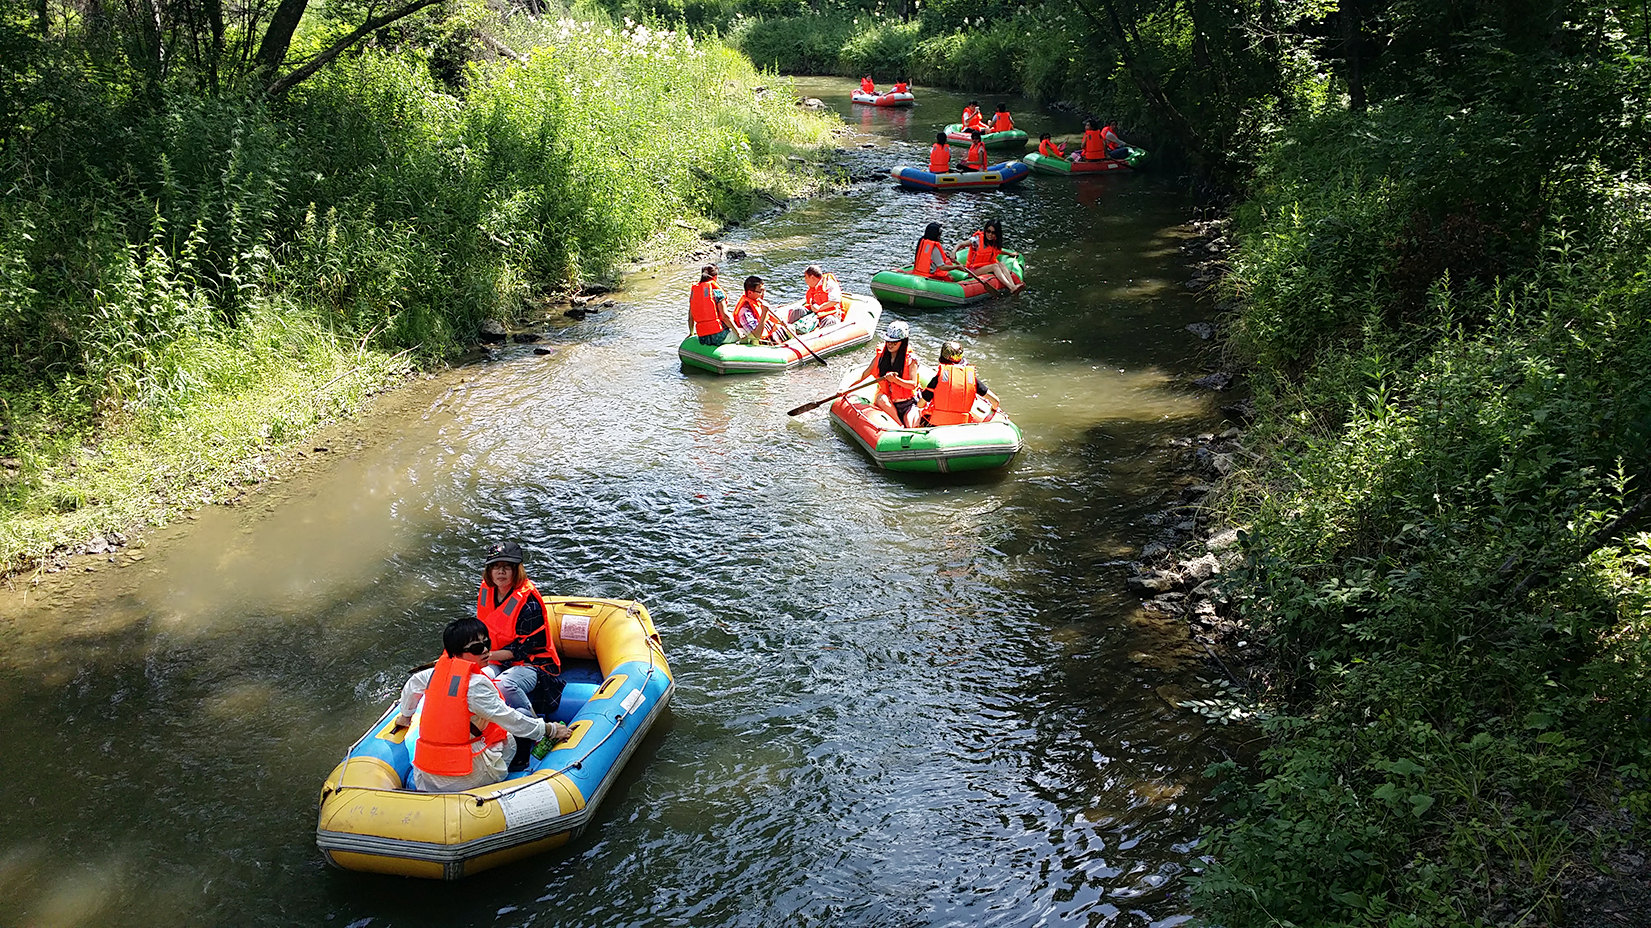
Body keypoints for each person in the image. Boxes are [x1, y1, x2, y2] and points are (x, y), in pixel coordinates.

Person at [391, 618, 573, 792]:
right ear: (456, 653)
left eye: (487, 644)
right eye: (477, 648)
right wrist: (551, 730)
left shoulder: (431, 674)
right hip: (466, 778)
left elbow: (411, 686)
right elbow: (512, 720)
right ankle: (519, 769)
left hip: (427, 778)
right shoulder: (475, 685)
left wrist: (406, 716)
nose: (486, 651)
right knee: (519, 717)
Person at [476, 541, 566, 724]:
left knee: (505, 685)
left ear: (516, 571)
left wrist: (485, 655)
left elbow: (521, 650)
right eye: (495, 567)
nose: (500, 572)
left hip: (532, 664)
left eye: (506, 567)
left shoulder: (528, 604)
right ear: (489, 571)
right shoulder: (488, 591)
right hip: (497, 658)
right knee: (478, 680)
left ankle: (535, 726)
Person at [853, 321, 922, 427]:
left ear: (902, 342)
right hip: (889, 402)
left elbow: (912, 384)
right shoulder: (881, 357)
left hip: (908, 403)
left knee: (912, 425)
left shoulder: (911, 360)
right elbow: (865, 374)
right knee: (882, 399)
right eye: (888, 341)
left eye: (894, 342)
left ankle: (907, 427)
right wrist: (846, 388)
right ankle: (899, 426)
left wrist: (896, 380)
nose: (890, 344)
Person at [918, 340, 1001, 426]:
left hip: (937, 425)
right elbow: (995, 401)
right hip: (961, 426)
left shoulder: (937, 380)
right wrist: (992, 412)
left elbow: (920, 405)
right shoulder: (971, 379)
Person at [955, 219, 1025, 293]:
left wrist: (1010, 254)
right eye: (988, 231)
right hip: (974, 270)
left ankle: (1013, 286)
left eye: (993, 232)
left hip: (985, 266)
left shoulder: (994, 241)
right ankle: (1011, 287)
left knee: (1001, 264)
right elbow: (961, 244)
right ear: (985, 230)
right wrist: (953, 252)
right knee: (995, 266)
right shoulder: (977, 240)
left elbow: (997, 251)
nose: (990, 234)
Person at [687, 264, 741, 346]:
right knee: (745, 332)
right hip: (719, 336)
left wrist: (691, 333)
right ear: (715, 277)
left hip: (703, 337)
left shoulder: (694, 294)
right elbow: (725, 316)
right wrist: (738, 332)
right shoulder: (717, 292)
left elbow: (691, 317)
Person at [733, 275, 783, 344]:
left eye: (764, 290)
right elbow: (756, 336)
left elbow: (774, 319)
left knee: (781, 326)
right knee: (791, 328)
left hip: (767, 333)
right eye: (760, 291)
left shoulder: (757, 302)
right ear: (750, 292)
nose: (763, 294)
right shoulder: (744, 311)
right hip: (760, 341)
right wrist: (764, 313)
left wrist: (780, 322)